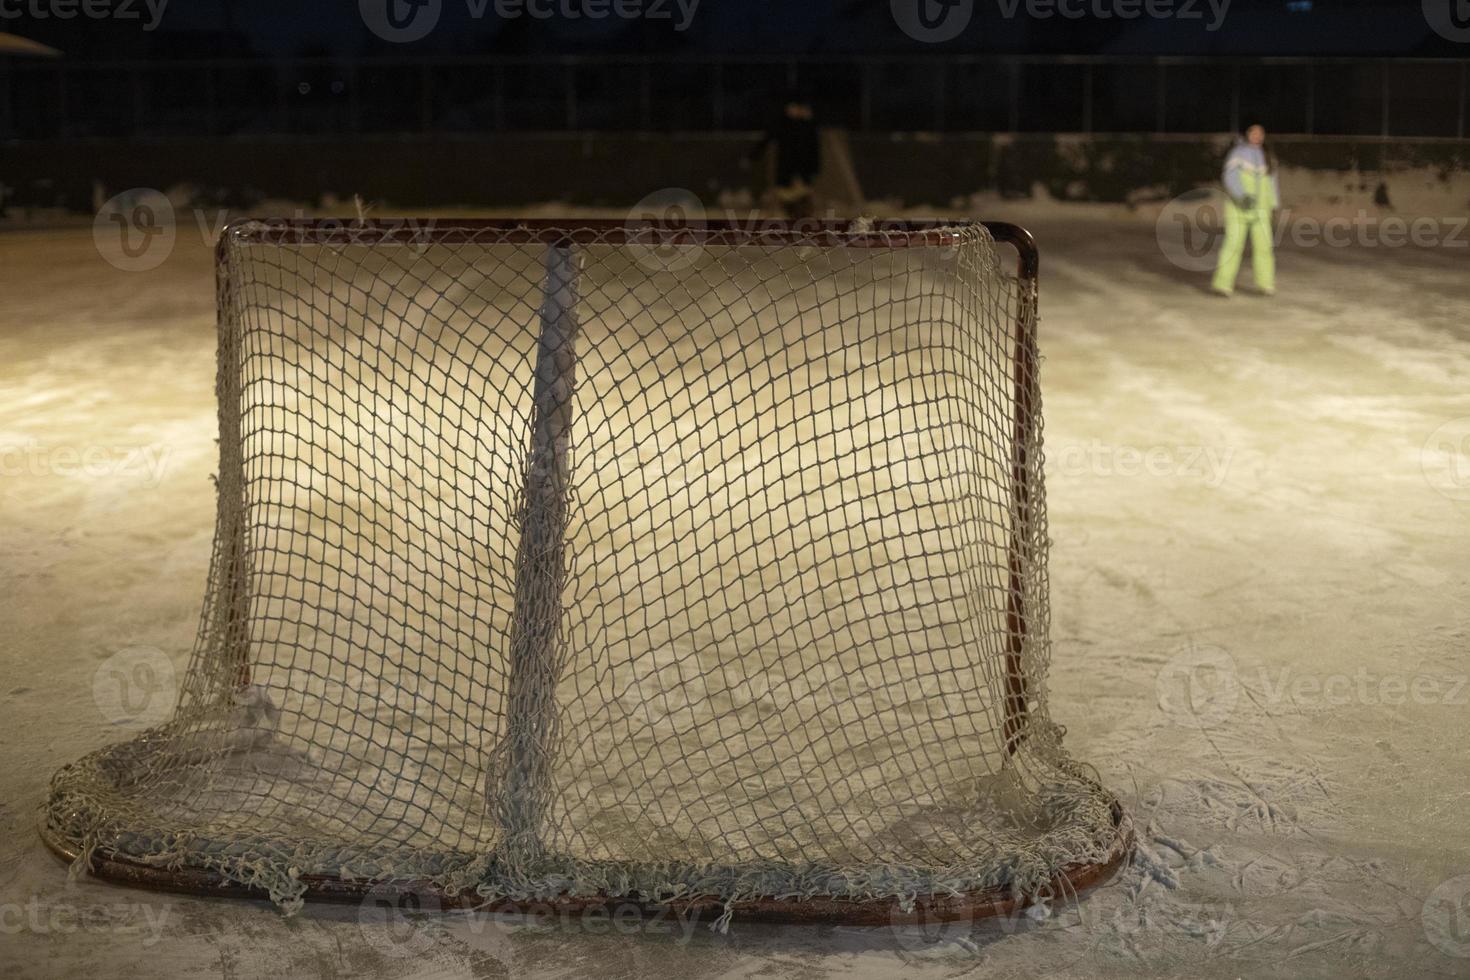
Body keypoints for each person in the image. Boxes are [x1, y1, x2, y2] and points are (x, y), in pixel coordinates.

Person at [1212, 124, 1279, 297]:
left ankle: (1266, 284)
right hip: (1238, 208)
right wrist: (1241, 196)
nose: (1257, 135)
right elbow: (1229, 176)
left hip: (1261, 210)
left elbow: (1272, 183)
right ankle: (1223, 284)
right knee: (1233, 245)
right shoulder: (1238, 153)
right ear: (1247, 134)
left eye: (1261, 133)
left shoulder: (1268, 157)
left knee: (1264, 247)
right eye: (1254, 132)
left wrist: (1273, 205)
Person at [745, 94, 821, 220]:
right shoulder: (782, 124)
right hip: (787, 172)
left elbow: (814, 149)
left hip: (803, 172)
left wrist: (815, 168)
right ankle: (794, 221)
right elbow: (767, 139)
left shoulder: (808, 126)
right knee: (787, 199)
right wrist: (753, 156)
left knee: (804, 200)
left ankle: (804, 223)